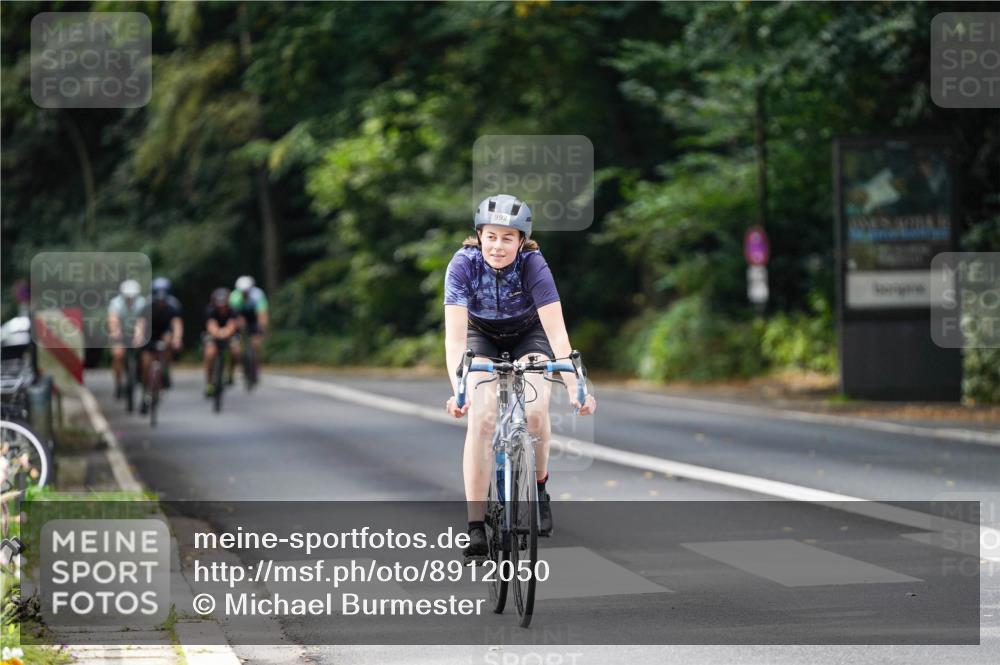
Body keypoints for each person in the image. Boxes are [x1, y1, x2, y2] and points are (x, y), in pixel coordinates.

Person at [443, 194, 596, 561]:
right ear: (479, 235)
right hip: (481, 336)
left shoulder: (533, 265)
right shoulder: (463, 265)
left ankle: (539, 488)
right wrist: (460, 391)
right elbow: (455, 339)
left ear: (522, 240)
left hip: (530, 334)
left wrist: (577, 388)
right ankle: (476, 525)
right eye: (491, 236)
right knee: (481, 419)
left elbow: (558, 336)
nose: (498, 246)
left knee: (536, 411)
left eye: (508, 238)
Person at [135, 277, 184, 413]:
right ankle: (145, 390)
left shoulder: (173, 306)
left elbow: (177, 325)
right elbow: (140, 324)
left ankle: (165, 370)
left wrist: (177, 339)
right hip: (149, 335)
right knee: (145, 362)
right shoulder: (146, 306)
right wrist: (138, 337)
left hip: (165, 334)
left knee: (167, 342)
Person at [107, 279, 146, 399]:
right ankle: (118, 383)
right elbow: (113, 319)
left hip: (136, 332)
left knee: (145, 356)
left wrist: (139, 336)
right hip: (121, 333)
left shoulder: (142, 303)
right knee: (118, 355)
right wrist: (115, 332)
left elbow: (142, 321)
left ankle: (141, 377)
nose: (130, 299)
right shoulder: (116, 303)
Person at [228, 275, 269, 385]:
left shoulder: (258, 295)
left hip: (253, 319)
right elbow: (232, 315)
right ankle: (240, 365)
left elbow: (262, 314)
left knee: (256, 344)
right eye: (242, 291)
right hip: (239, 317)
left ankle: (256, 367)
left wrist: (262, 328)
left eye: (246, 291)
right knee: (235, 347)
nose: (244, 293)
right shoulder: (234, 296)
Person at [202, 288, 239, 397]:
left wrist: (226, 332)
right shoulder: (210, 310)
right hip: (213, 334)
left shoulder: (233, 310)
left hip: (229, 334)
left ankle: (231, 373)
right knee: (209, 354)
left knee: (235, 351)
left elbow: (232, 325)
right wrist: (218, 333)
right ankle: (209, 383)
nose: (221, 307)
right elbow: (210, 325)